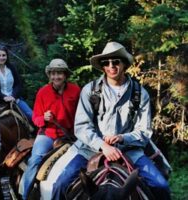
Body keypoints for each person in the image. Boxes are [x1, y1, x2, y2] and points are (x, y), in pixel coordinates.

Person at [50, 42, 171, 200]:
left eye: (116, 61)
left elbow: (144, 131)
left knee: (161, 185)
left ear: (124, 64)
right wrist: (103, 145)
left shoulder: (140, 93)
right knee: (60, 185)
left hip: (130, 150)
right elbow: (82, 126)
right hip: (90, 150)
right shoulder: (90, 90)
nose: (111, 66)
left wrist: (123, 138)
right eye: (106, 62)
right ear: (102, 66)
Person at [21, 58, 81, 200]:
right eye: (53, 73)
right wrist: (44, 119)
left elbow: (82, 113)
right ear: (49, 75)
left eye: (59, 73)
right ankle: (25, 195)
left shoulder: (76, 90)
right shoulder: (43, 92)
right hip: (48, 134)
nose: (56, 77)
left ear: (65, 75)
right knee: (35, 160)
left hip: (71, 135)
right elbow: (35, 118)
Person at [0, 45, 32, 126]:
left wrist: (13, 96)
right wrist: (3, 97)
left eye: (4, 55)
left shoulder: (12, 68)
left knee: (32, 116)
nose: (1, 58)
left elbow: (18, 84)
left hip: (13, 99)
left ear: (7, 56)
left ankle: (35, 136)